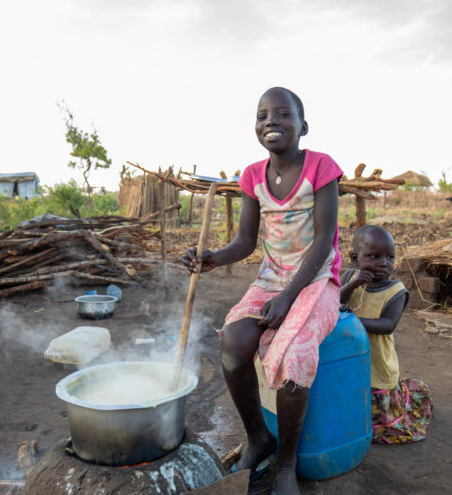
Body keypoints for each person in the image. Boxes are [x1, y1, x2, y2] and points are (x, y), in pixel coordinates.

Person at [181, 87, 342, 495]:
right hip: (271, 277)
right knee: (233, 343)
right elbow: (246, 241)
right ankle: (258, 438)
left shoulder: (321, 167)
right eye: (262, 115)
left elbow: (324, 241)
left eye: (283, 114)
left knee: (294, 355)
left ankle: (286, 462)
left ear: (303, 126)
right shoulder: (252, 176)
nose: (271, 120)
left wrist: (288, 299)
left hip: (317, 278)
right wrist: (214, 257)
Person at [339, 225, 432, 445]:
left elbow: (388, 324)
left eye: (390, 257)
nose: (383, 263)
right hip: (348, 354)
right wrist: (353, 284)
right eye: (374, 256)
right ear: (355, 258)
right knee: (348, 390)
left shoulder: (396, 291)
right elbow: (334, 302)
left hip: (377, 361)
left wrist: (354, 320)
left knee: (377, 415)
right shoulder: (349, 276)